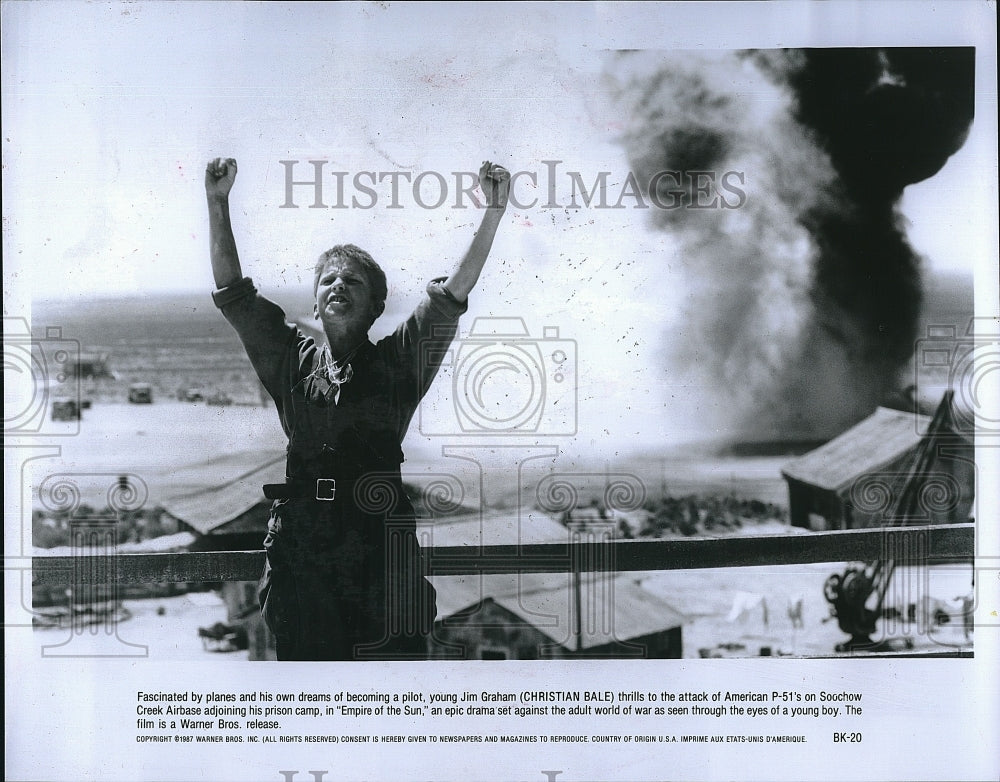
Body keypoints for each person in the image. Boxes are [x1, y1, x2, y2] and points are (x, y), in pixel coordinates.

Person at [205, 156, 509, 660]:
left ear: (375, 307)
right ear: (317, 304)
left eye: (354, 282)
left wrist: (493, 212)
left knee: (388, 687)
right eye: (328, 281)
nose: (339, 286)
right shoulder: (290, 360)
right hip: (303, 550)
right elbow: (234, 295)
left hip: (378, 551)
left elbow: (452, 293)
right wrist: (217, 202)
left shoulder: (399, 363)